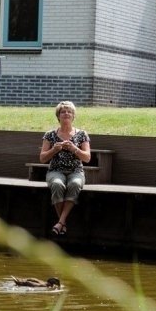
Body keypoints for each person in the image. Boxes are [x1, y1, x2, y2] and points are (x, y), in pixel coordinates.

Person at [39, 101, 91, 236]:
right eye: (63, 112)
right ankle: (62, 222)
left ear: (73, 116)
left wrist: (74, 149)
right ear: (58, 116)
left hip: (76, 171)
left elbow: (87, 158)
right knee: (57, 184)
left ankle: (60, 222)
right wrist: (54, 150)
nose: (66, 114)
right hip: (55, 170)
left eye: (69, 112)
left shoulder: (82, 134)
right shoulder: (50, 134)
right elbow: (43, 158)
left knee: (75, 184)